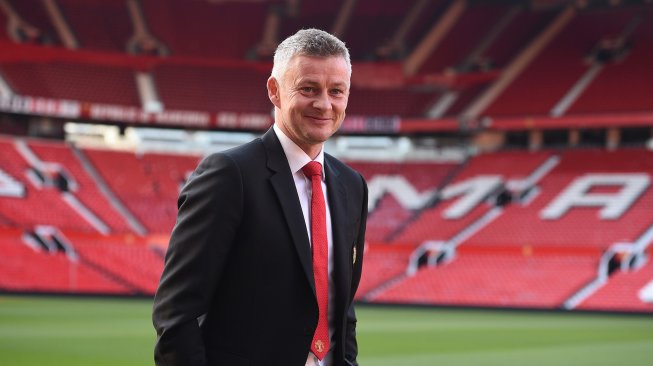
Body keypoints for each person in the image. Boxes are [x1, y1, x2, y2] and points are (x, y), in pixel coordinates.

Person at [152, 28, 368, 366]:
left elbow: (342, 311)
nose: (324, 103)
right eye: (308, 88)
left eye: (336, 91)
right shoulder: (228, 174)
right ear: (275, 91)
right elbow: (175, 315)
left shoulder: (352, 185)